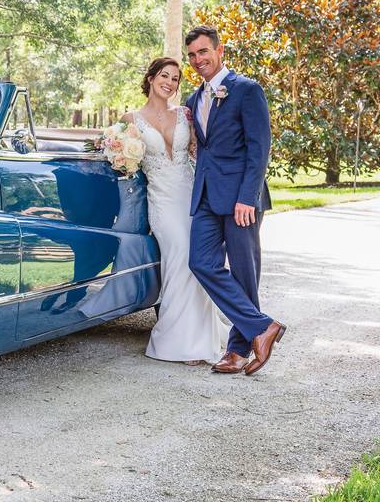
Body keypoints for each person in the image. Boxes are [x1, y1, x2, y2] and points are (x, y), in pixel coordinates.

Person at [184, 25, 284, 375]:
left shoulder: (246, 90)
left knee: (244, 274)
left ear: (219, 50)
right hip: (207, 197)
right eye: (192, 55)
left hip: (242, 198)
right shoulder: (193, 100)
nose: (198, 60)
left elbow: (259, 148)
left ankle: (236, 350)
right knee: (200, 262)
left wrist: (247, 197)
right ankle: (262, 327)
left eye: (203, 52)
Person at [121, 57, 227, 365]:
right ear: (151, 78)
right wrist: (120, 156)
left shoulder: (185, 114)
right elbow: (122, 160)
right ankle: (177, 340)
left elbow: (198, 150)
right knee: (178, 257)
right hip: (162, 201)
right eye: (164, 76)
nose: (169, 82)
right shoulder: (130, 118)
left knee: (198, 260)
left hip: (192, 195)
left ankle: (199, 339)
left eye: (175, 79)